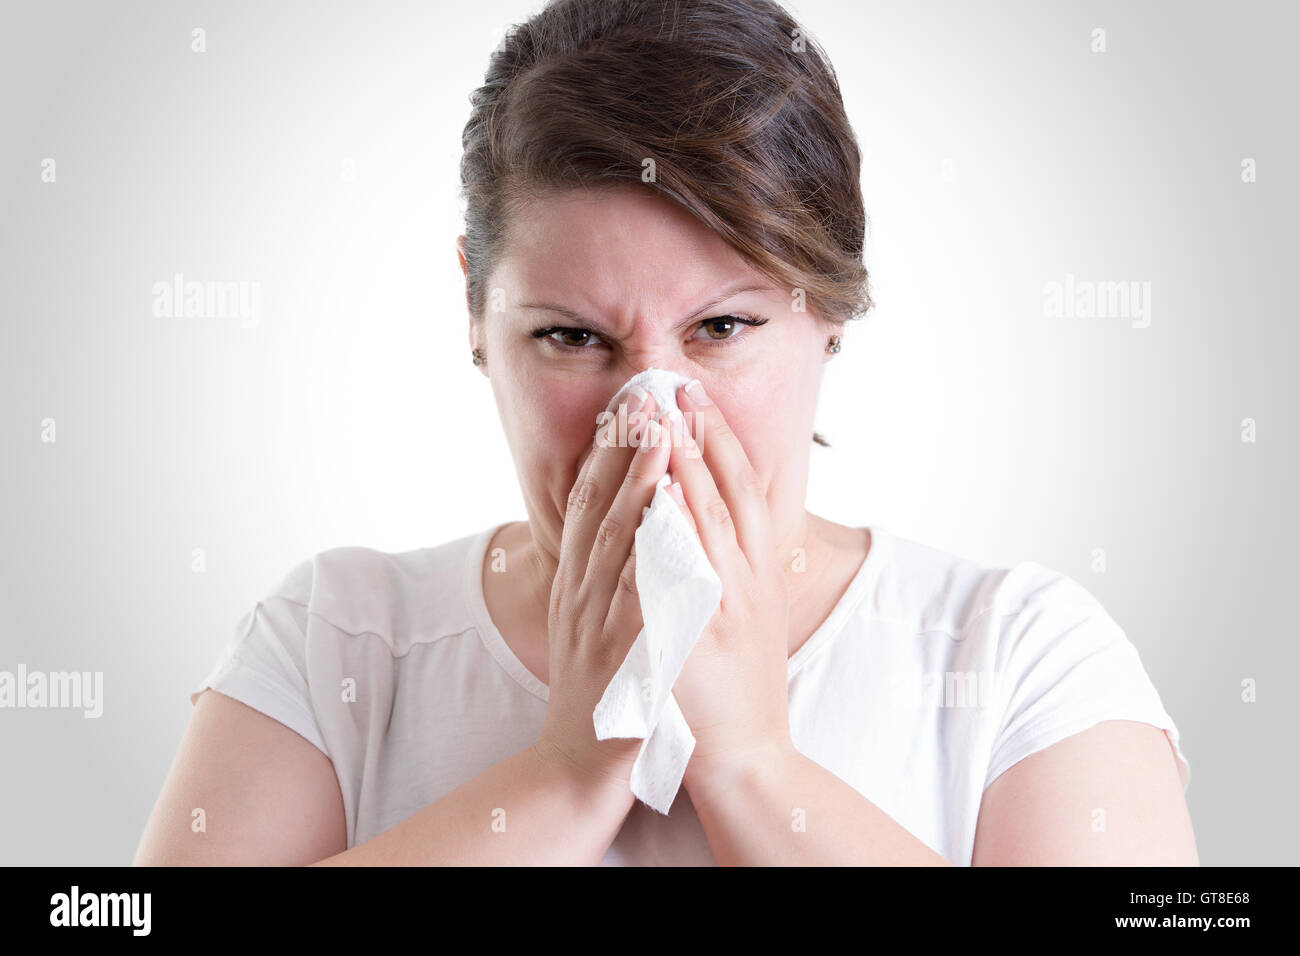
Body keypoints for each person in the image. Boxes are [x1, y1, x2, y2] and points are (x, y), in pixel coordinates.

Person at [134, 0, 1196, 866]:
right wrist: (567, 771)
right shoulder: (337, 638)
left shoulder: (1019, 655)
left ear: (825, 310)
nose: (647, 413)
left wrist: (750, 767)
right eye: (570, 336)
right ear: (475, 315)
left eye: (722, 327)